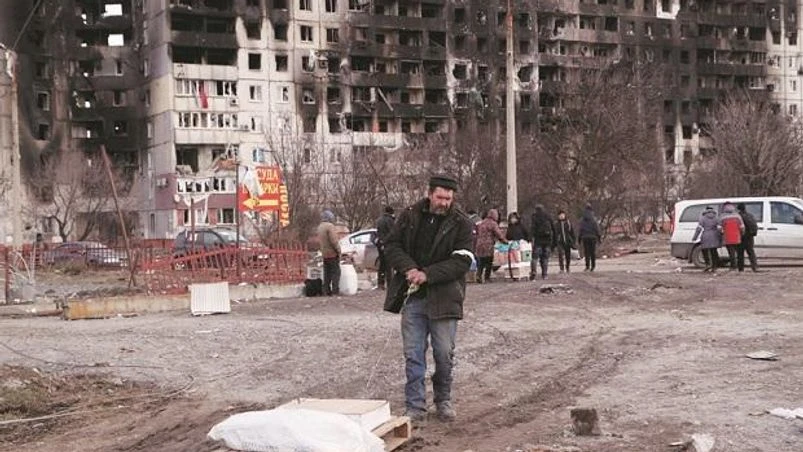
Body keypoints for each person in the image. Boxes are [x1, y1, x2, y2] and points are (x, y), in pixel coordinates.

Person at [383, 174, 474, 423]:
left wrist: (428, 274)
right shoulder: (410, 215)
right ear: (430, 194)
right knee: (413, 354)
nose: (444, 202)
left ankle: (443, 399)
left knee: (444, 353)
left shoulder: (461, 223)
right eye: (440, 197)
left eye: (448, 198)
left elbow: (462, 261)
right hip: (413, 298)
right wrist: (409, 269)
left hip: (445, 298)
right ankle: (415, 406)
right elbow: (391, 246)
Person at [474, 209, 506, 283]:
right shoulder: (493, 223)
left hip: (479, 244)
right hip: (488, 245)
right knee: (489, 261)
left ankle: (478, 275)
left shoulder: (482, 222)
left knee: (481, 262)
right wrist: (505, 241)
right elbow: (499, 234)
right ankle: (487, 278)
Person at [317, 209, 341, 296]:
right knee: (336, 272)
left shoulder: (320, 227)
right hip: (332, 253)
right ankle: (335, 291)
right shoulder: (330, 226)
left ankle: (326, 290)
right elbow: (334, 241)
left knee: (326, 273)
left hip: (324, 253)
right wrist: (338, 250)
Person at [693, 206, 721, 273]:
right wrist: (720, 237)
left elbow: (699, 228)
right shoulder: (716, 218)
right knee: (714, 251)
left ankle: (708, 264)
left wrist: (695, 237)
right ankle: (715, 266)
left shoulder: (702, 218)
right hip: (714, 236)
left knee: (705, 251)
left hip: (705, 235)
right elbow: (719, 228)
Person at [374, 206, 396, 289]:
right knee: (389, 265)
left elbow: (378, 232)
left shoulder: (379, 220)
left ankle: (380, 283)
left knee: (382, 265)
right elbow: (393, 233)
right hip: (388, 244)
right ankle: (390, 284)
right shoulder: (390, 220)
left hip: (380, 244)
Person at [530, 205, 554, 279]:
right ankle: (545, 274)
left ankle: (534, 271)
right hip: (547, 241)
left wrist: (530, 238)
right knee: (545, 258)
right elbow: (553, 228)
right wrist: (554, 242)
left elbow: (532, 228)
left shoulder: (534, 217)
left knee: (535, 257)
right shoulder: (548, 216)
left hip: (538, 240)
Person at [719, 202, 745, 270]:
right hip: (737, 236)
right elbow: (742, 227)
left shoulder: (722, 217)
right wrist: (742, 234)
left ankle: (733, 266)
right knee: (739, 252)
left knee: (731, 253)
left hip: (727, 237)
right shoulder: (737, 216)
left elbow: (719, 228)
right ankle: (740, 267)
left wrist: (722, 233)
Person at [578, 204, 601, 272]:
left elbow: (581, 229)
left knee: (587, 252)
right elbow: (597, 229)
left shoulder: (582, 219)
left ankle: (587, 266)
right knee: (592, 252)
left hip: (585, 237)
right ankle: (593, 266)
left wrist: (579, 238)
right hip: (593, 237)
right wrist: (599, 237)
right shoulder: (594, 219)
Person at [736, 203, 759, 272]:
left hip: (741, 236)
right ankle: (754, 267)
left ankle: (741, 268)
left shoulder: (738, 216)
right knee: (751, 252)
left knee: (740, 253)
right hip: (750, 236)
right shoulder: (750, 215)